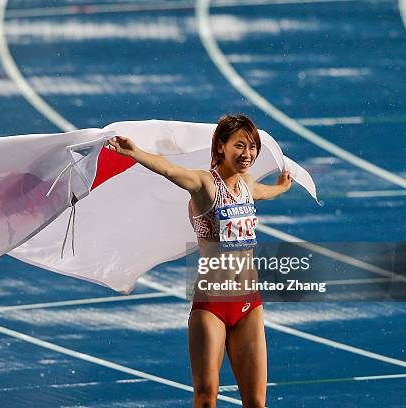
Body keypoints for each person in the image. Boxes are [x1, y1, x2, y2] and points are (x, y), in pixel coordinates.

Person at [107, 114, 292, 408]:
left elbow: (263, 192)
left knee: (256, 402)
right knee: (206, 397)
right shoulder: (205, 184)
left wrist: (282, 187)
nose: (248, 154)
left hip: (249, 304)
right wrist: (135, 153)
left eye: (252, 147)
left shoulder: (245, 184)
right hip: (212, 307)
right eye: (239, 146)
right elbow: (169, 169)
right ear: (220, 147)